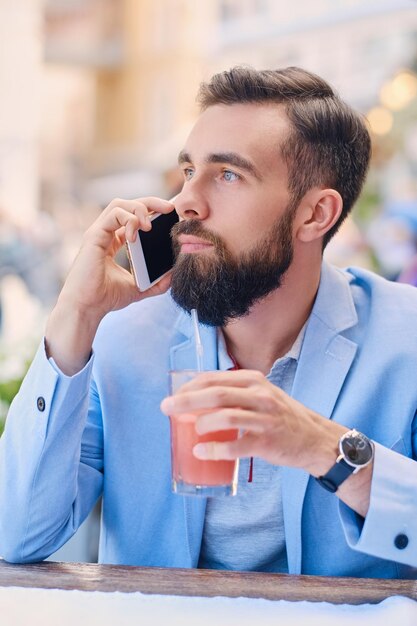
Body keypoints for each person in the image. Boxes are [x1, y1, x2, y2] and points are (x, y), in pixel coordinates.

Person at [0, 66, 416, 578]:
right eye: (188, 171)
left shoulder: (405, 338)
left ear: (316, 214)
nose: (185, 202)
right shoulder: (123, 338)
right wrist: (75, 315)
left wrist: (326, 448)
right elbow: (14, 535)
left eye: (228, 175)